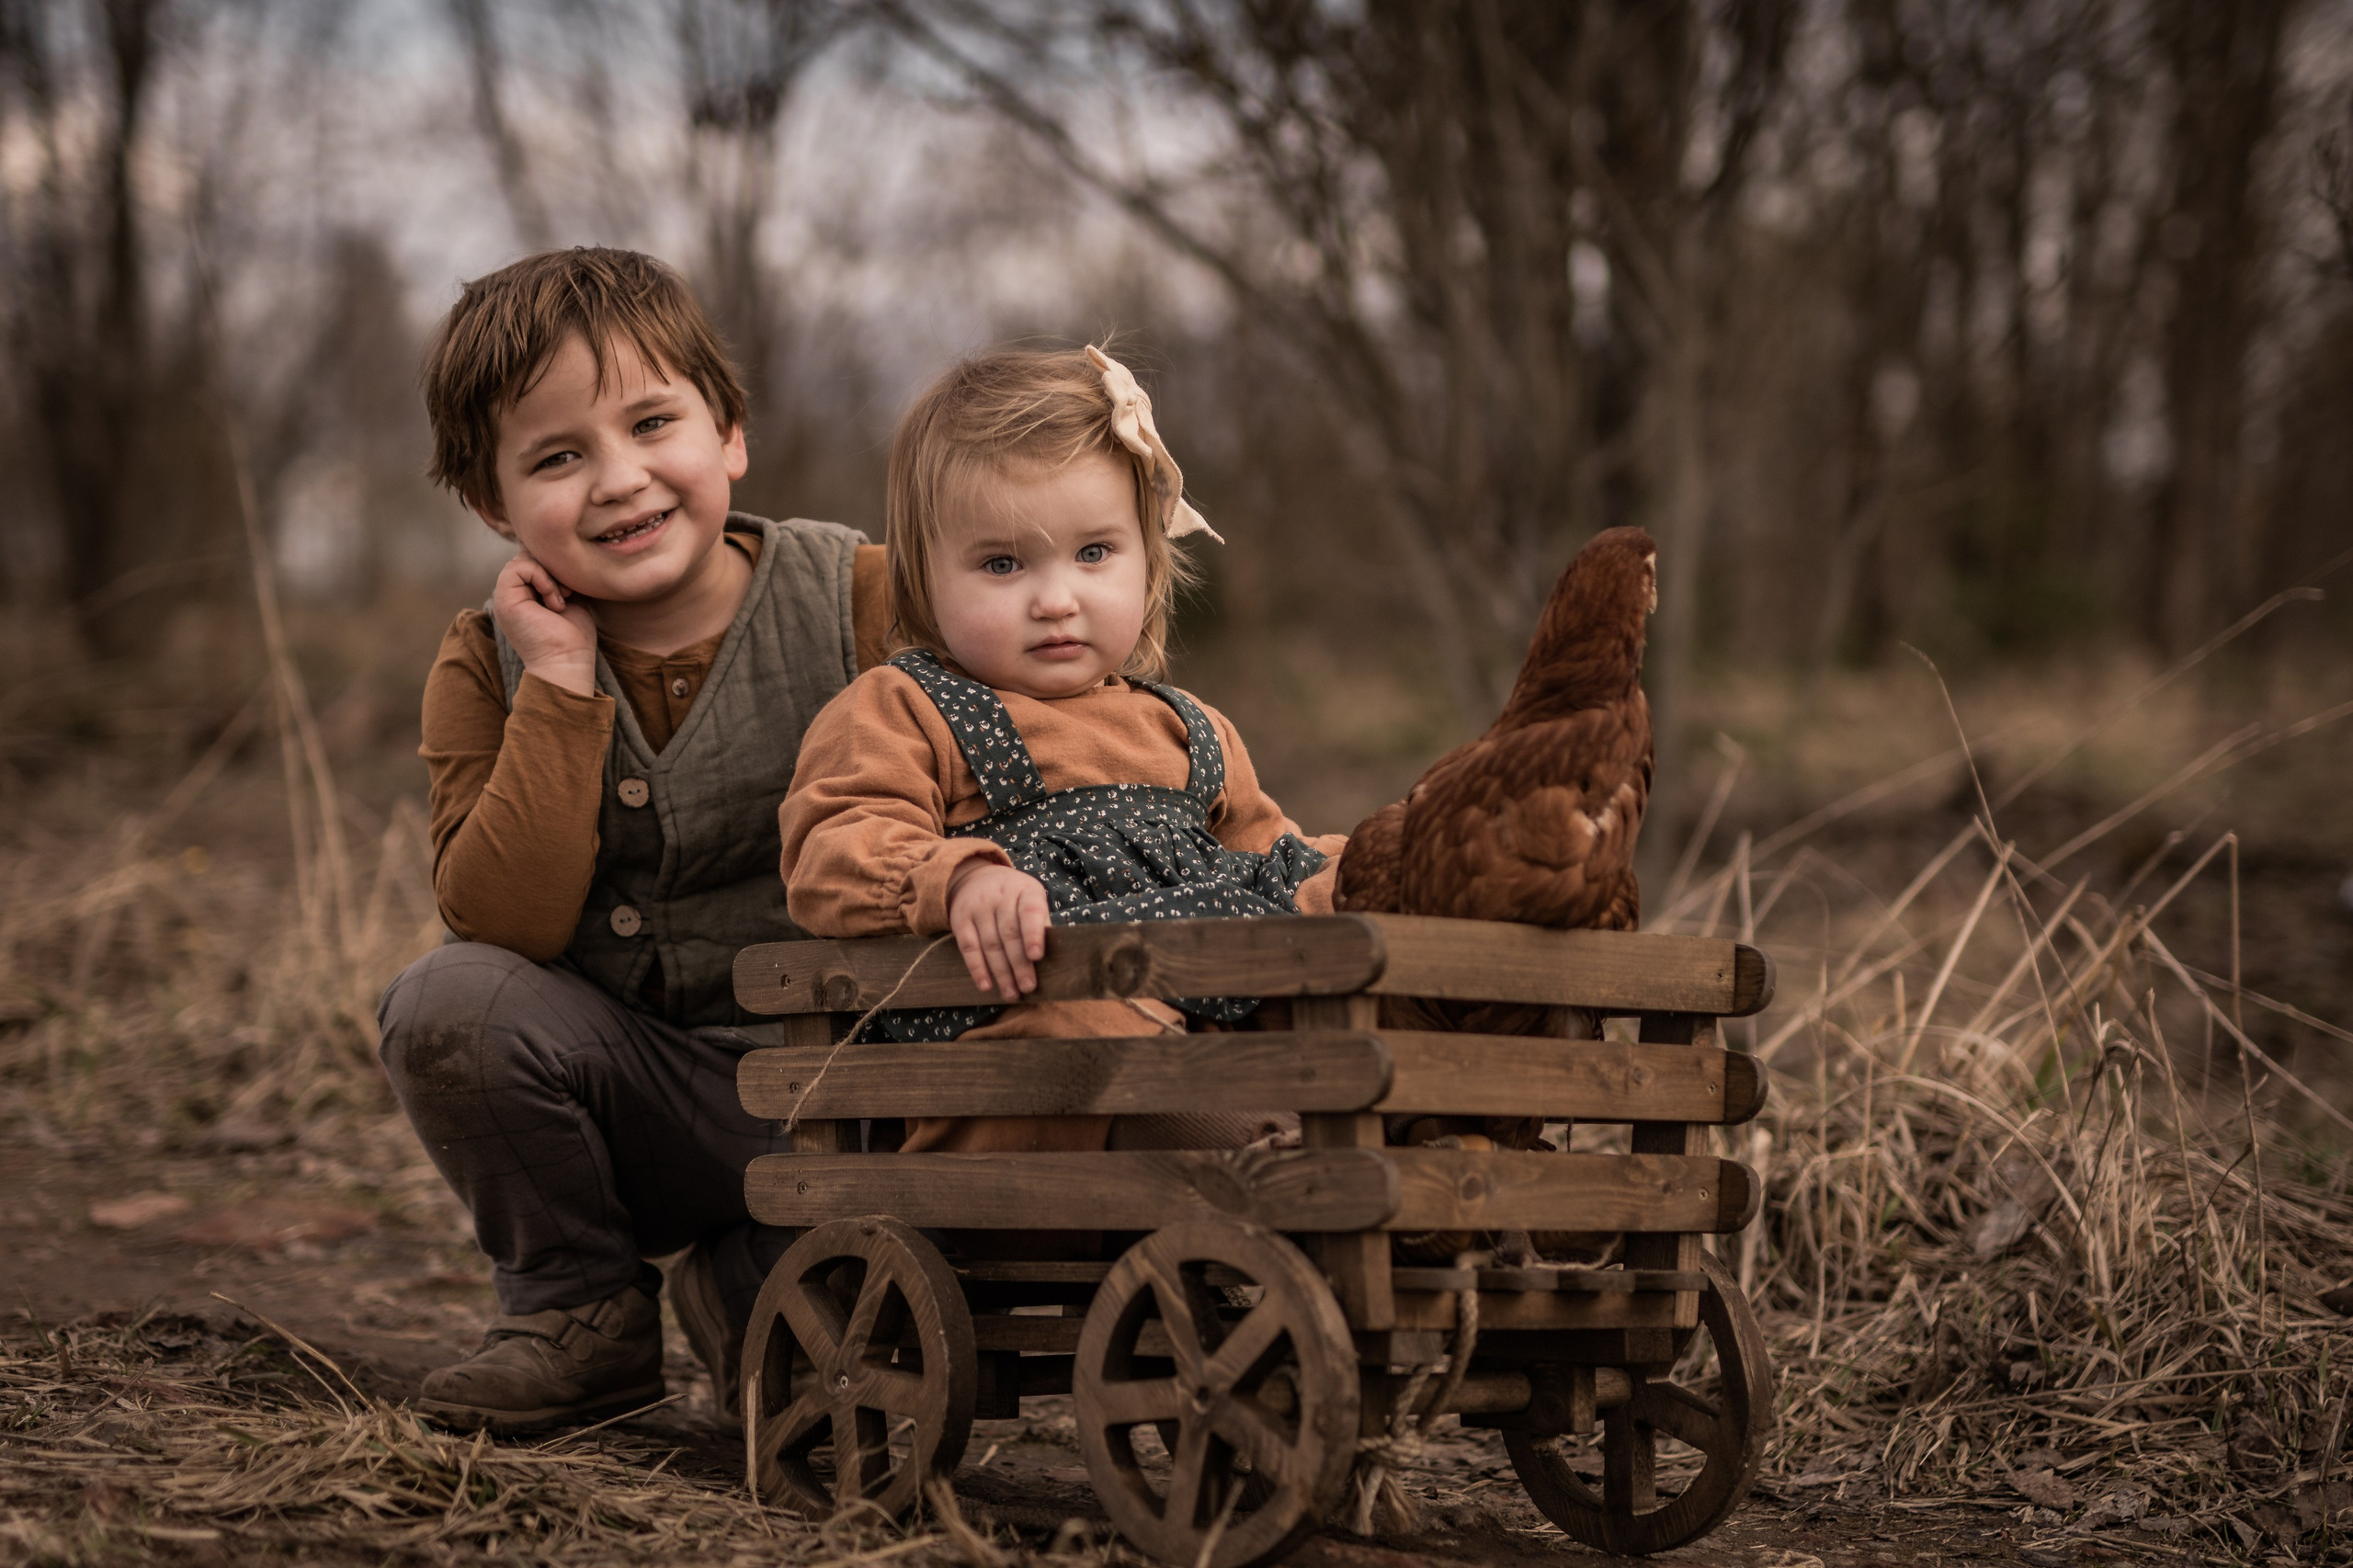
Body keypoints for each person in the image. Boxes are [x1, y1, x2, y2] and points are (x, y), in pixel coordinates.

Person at [376, 247, 892, 1434]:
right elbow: (504, 922)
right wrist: (560, 686)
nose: (619, 481)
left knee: (821, 1403)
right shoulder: (483, 664)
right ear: (494, 506)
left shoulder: (860, 594)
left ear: (731, 434)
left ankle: (744, 1279)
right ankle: (578, 1312)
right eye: (558, 456)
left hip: (856, 1097)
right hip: (638, 1106)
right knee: (450, 1003)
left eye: (653, 422)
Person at [779, 344, 1346, 1166]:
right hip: (1024, 1073)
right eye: (1002, 564)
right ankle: (1262, 1166)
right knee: (1095, 1021)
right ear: (921, 580)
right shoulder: (903, 709)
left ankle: (1441, 1145)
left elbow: (1271, 865)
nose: (1055, 600)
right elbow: (830, 846)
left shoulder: (1192, 733)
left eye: (1094, 554)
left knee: (1331, 964)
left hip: (1207, 1040)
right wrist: (960, 879)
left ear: (1148, 558)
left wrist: (1361, 873)